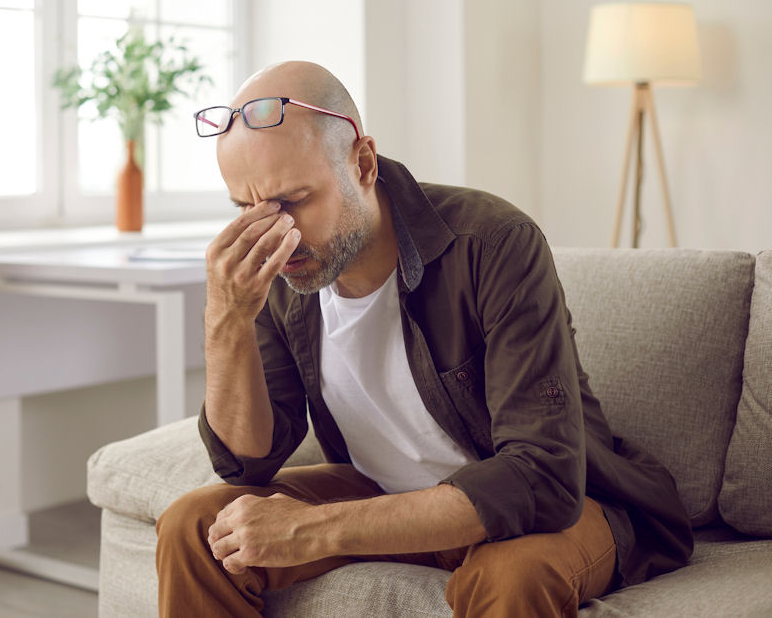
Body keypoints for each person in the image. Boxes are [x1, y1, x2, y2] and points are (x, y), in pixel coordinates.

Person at [156, 61, 692, 617]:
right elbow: (247, 465)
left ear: (361, 162)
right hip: (383, 492)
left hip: (546, 505)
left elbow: (543, 473)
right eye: (246, 207)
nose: (275, 233)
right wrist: (228, 318)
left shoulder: (493, 242)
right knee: (195, 528)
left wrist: (315, 529)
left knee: (512, 577)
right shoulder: (281, 271)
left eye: (293, 200)